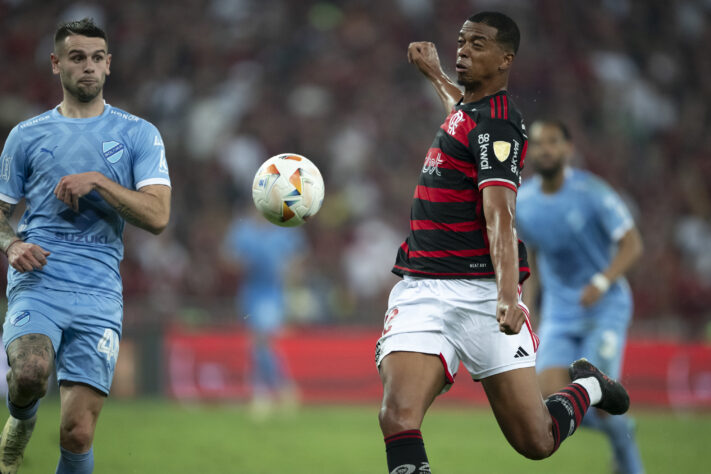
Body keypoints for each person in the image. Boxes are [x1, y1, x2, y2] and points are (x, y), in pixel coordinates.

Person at [376, 12, 630, 473]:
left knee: (536, 441)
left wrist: (510, 297)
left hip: (482, 297)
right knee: (397, 416)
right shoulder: (470, 112)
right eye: (460, 41)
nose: (463, 51)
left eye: (477, 44)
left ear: (505, 59)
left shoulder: (499, 127)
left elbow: (500, 216)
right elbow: (461, 112)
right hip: (424, 290)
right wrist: (434, 72)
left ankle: (589, 387)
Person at [0, 18, 171, 473]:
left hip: (99, 289)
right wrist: (11, 244)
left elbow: (157, 216)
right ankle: (20, 422)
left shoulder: (139, 134)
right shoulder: (26, 135)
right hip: (39, 277)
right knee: (31, 374)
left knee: (77, 432)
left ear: (109, 65)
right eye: (77, 57)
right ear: (57, 64)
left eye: (97, 58)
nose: (88, 67)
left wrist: (99, 181)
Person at [516, 120, 644, 474]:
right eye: (538, 143)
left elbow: (632, 243)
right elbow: (535, 257)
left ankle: (631, 466)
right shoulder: (524, 202)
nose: (544, 149)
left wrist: (602, 281)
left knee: (600, 401)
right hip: (560, 312)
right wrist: (530, 304)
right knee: (547, 401)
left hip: (606, 307)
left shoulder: (593, 192)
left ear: (568, 149)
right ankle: (621, 427)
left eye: (553, 142)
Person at [222, 209, 304, 418]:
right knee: (258, 343)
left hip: (272, 292)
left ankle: (264, 394)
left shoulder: (283, 229)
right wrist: (243, 263)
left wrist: (287, 271)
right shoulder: (243, 230)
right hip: (250, 291)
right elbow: (228, 259)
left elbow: (298, 261)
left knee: (262, 340)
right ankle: (282, 389)